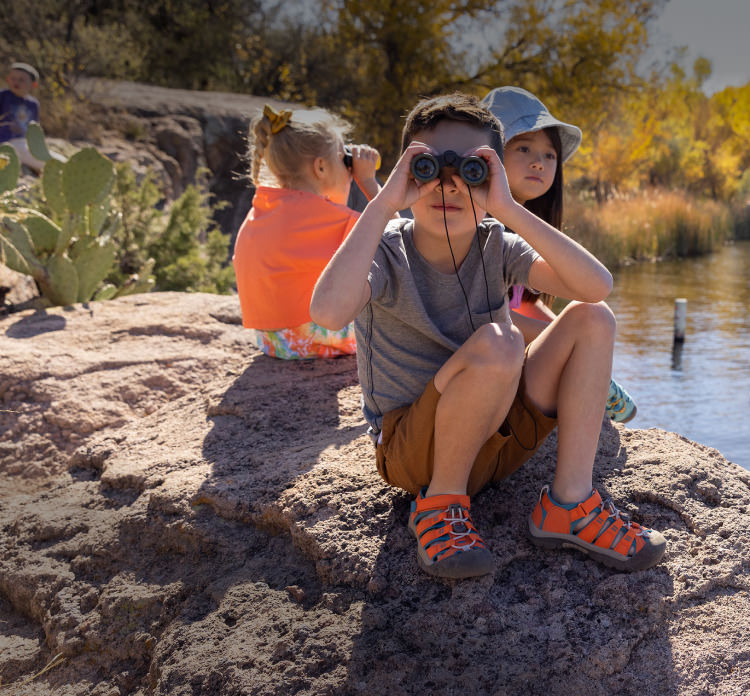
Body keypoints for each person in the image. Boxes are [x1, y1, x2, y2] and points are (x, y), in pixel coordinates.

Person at [310, 93, 666, 579]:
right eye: (430, 167)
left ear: (493, 176)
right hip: (417, 458)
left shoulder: (497, 241)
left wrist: (504, 207)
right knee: (503, 341)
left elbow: (596, 285)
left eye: (472, 170)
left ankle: (570, 504)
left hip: (497, 444)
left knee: (593, 317)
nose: (448, 185)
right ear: (407, 171)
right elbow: (328, 312)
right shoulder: (387, 250)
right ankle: (439, 506)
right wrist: (386, 202)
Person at [482, 86, 637, 423]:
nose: (539, 162)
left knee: (592, 315)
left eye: (549, 155)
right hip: (482, 376)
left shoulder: (526, 226)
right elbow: (483, 318)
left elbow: (523, 298)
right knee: (585, 334)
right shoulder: (478, 227)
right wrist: (564, 340)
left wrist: (564, 330)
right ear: (488, 156)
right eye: (523, 148)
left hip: (511, 363)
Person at [233, 104, 381, 359]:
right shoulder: (336, 220)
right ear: (320, 167)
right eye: (343, 158)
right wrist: (368, 182)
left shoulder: (259, 210)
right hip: (321, 339)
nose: (348, 168)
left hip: (272, 342)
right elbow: (401, 241)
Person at [0, 62, 45, 172]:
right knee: (31, 156)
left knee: (49, 155)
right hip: (6, 141)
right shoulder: (3, 96)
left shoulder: (33, 104)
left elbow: (35, 130)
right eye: (13, 78)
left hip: (25, 142)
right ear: (8, 79)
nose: (16, 82)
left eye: (21, 80)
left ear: (33, 84)